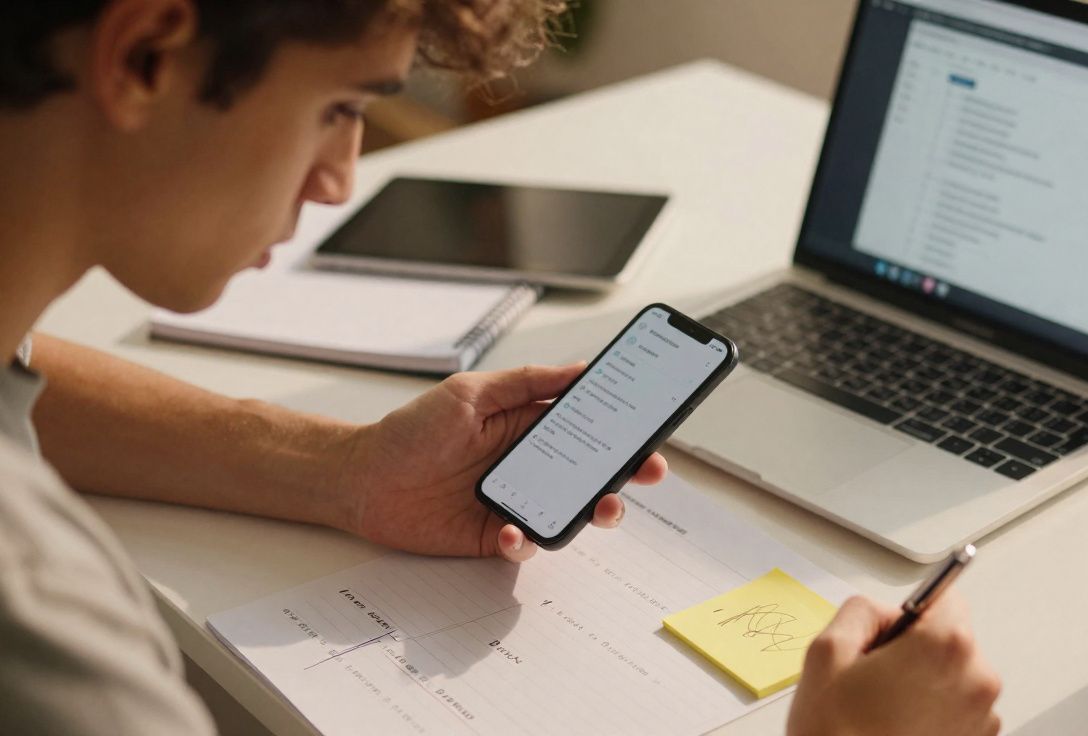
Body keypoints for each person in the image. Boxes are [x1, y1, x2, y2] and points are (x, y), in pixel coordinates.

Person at [0, 1, 1000, 734]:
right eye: (340, 105)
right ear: (144, 54)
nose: (343, 176)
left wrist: (340, 468)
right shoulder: (45, 628)